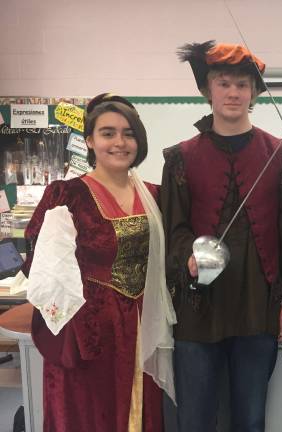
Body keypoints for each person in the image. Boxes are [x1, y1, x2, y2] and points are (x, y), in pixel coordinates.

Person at [160, 41, 282, 432]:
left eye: (242, 84)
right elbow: (174, 229)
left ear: (255, 92)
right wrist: (186, 258)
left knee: (250, 419)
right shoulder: (180, 157)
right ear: (207, 90)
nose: (232, 92)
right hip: (198, 309)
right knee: (194, 418)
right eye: (223, 83)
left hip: (258, 308)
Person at [23, 93, 176, 431]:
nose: (120, 142)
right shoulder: (67, 195)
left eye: (129, 133)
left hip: (141, 324)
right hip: (88, 330)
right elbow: (39, 264)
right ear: (90, 140)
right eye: (108, 133)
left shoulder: (157, 195)